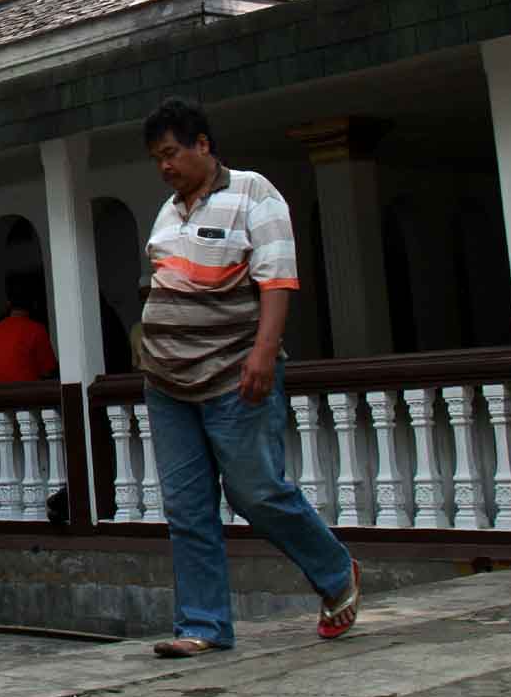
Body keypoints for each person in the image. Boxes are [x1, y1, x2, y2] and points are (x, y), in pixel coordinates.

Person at [138, 97, 359, 657]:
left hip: (235, 374)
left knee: (255, 490)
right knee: (186, 507)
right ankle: (202, 626)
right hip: (166, 382)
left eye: (171, 153)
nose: (164, 166)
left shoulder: (254, 193)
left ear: (203, 145)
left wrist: (263, 354)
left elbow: (277, 280)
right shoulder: (169, 212)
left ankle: (335, 571)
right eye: (156, 158)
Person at [0, 300, 57, 384]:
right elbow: (48, 370)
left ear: (8, 304)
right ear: (33, 305)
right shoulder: (36, 329)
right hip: (24, 391)